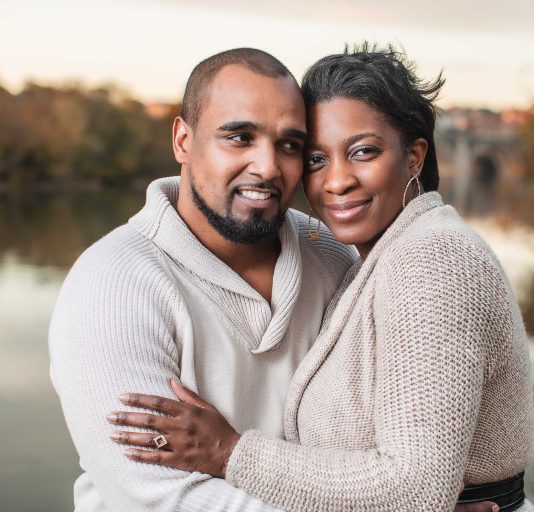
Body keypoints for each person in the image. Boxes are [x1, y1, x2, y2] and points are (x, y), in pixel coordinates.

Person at [49, 47, 497, 512]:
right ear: (183, 140)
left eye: (289, 146)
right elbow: (159, 498)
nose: (267, 167)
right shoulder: (111, 285)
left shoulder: (333, 256)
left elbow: (385, 458)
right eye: (239, 138)